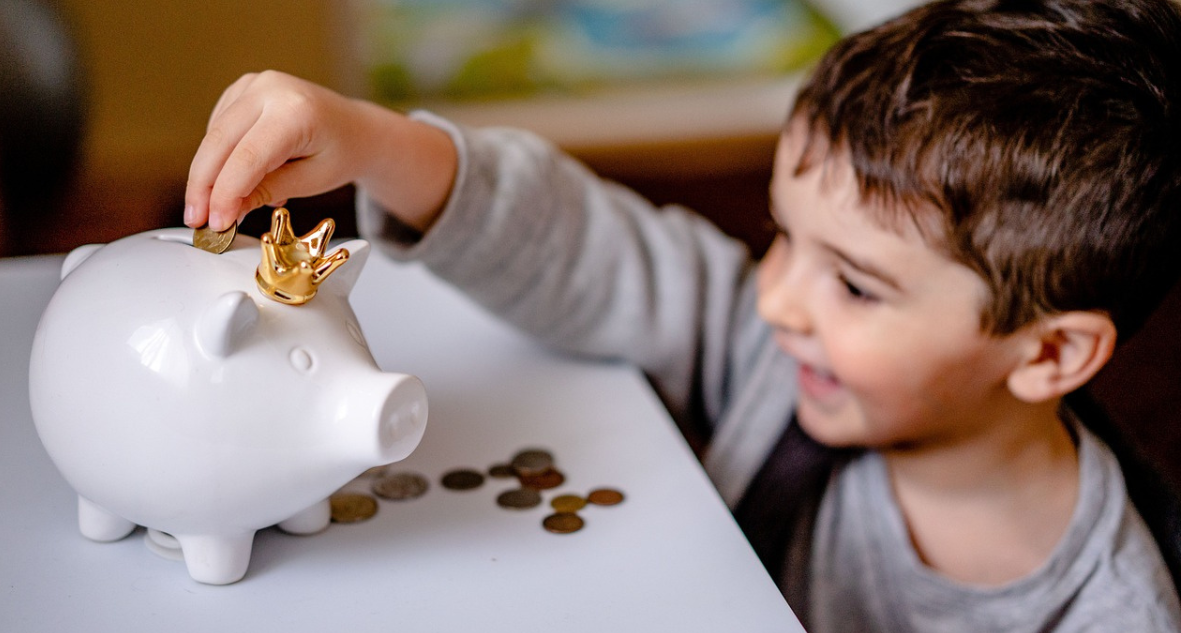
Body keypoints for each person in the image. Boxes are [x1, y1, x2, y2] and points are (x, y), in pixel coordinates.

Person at [183, 0, 1181, 629]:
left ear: (1050, 353)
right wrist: (371, 140)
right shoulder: (776, 352)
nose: (773, 296)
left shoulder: (1114, 610)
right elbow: (584, 244)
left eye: (855, 285)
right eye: (781, 234)